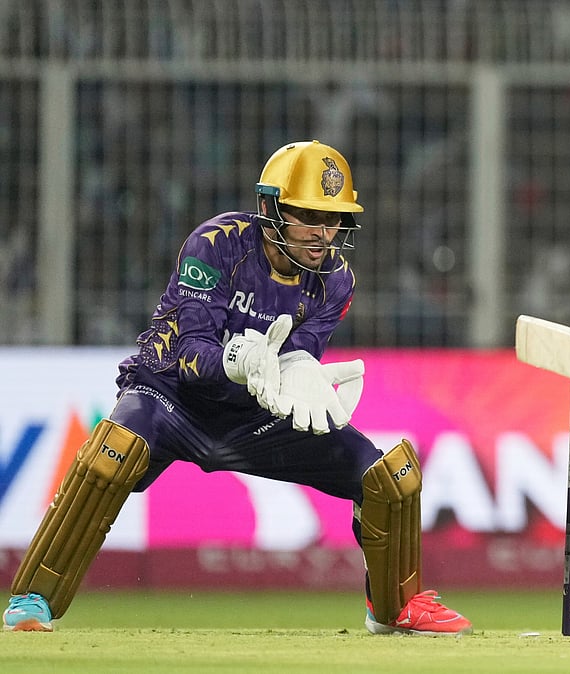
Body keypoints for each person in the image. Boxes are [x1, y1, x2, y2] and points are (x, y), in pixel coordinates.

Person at [3, 140, 471, 636]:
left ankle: (395, 607)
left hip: (254, 416)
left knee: (389, 476)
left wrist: (300, 374)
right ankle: (33, 599)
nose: (324, 232)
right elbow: (190, 355)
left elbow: (298, 359)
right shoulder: (216, 243)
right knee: (109, 453)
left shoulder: (336, 280)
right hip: (172, 398)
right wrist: (239, 359)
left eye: (333, 218)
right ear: (271, 210)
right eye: (308, 215)